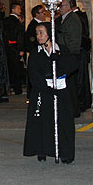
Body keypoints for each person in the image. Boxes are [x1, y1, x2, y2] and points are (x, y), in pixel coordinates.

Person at [23, 23, 75, 164]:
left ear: (49, 34)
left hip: (61, 92)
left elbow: (71, 67)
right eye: (37, 33)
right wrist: (46, 87)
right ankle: (43, 149)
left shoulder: (61, 50)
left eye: (41, 33)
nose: (38, 36)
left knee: (62, 121)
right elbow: (33, 73)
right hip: (44, 91)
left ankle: (64, 152)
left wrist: (58, 61)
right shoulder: (35, 53)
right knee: (43, 122)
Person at [56, 0, 83, 118]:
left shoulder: (72, 18)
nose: (59, 8)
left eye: (62, 5)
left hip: (70, 54)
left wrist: (59, 37)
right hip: (66, 54)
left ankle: (73, 110)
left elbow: (72, 39)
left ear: (69, 6)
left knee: (71, 85)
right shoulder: (64, 18)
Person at [4, 3, 25, 95]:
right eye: (18, 9)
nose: (20, 11)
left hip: (7, 48)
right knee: (16, 69)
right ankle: (17, 88)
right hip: (15, 48)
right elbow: (19, 36)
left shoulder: (6, 21)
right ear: (13, 10)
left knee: (9, 68)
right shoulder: (16, 22)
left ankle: (9, 87)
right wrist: (21, 49)